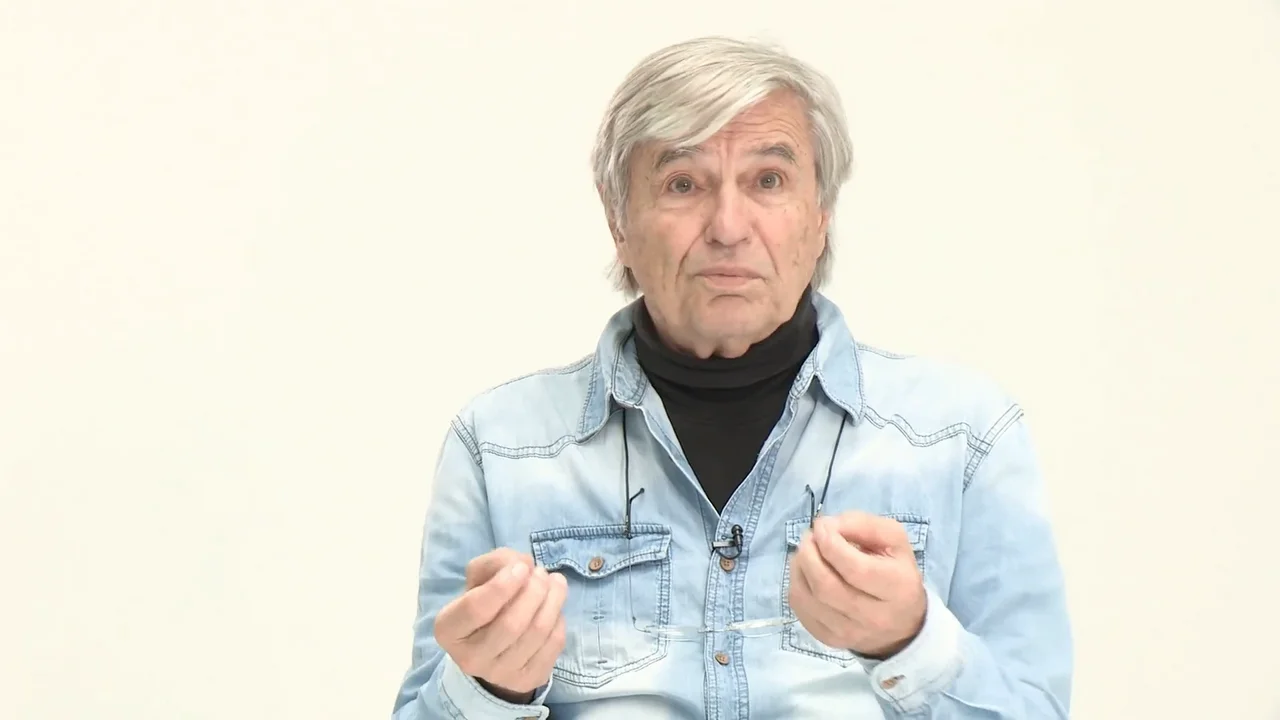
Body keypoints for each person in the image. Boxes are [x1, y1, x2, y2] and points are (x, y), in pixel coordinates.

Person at [390, 36, 1072, 720]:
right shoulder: (499, 447)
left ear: (821, 215)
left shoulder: (962, 437)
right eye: (682, 184)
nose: (727, 226)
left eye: (768, 181)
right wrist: (491, 689)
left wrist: (910, 642)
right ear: (618, 221)